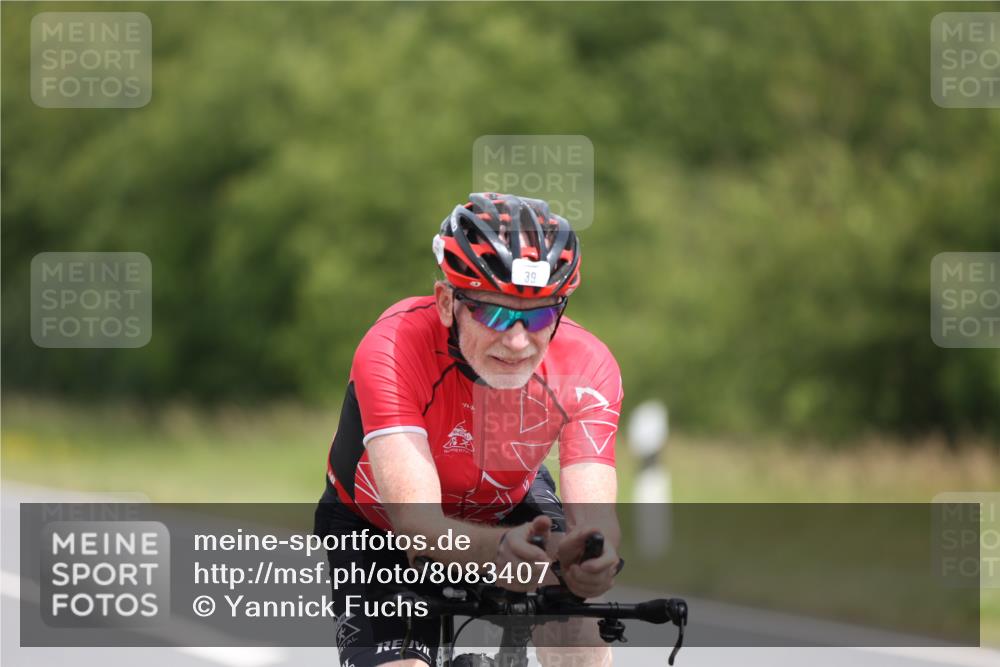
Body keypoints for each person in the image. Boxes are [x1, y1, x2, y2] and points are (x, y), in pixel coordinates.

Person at [314, 192, 624, 667]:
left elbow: (596, 520)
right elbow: (417, 526)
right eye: (495, 313)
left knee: (579, 640)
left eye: (539, 315)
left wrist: (591, 564)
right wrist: (499, 551)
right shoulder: (394, 347)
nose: (518, 341)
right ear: (445, 302)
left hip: (510, 502)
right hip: (376, 526)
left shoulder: (589, 366)